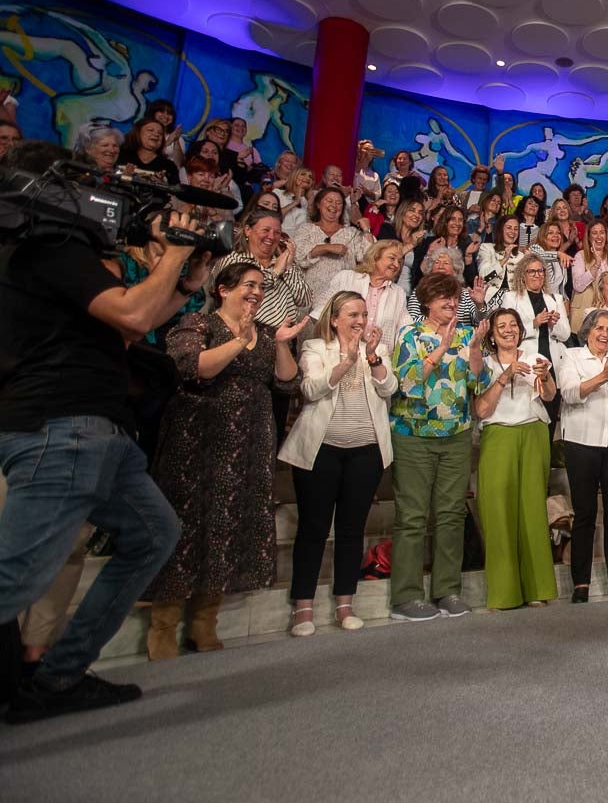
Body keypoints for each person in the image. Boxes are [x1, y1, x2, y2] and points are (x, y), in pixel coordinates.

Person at [0, 143, 210, 723]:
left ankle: (60, 676)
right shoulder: (46, 246)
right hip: (61, 426)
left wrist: (186, 281)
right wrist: (173, 253)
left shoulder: (62, 251)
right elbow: (134, 315)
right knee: (16, 575)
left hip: (96, 428)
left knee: (153, 534)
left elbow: (138, 321)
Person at [145, 262, 305, 658]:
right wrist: (239, 340)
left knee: (226, 527)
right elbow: (193, 368)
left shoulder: (266, 334)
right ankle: (163, 626)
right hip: (197, 441)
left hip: (248, 442)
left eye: (260, 287)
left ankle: (204, 623)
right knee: (185, 528)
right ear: (223, 289)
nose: (256, 292)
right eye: (248, 285)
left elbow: (287, 380)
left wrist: (281, 343)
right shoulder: (197, 324)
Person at [277, 291, 396, 636]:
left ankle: (345, 604)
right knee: (313, 529)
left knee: (351, 530)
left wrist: (372, 358)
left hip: (366, 451)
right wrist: (345, 359)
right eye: (352, 315)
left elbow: (390, 387)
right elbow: (311, 390)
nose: (360, 321)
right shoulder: (316, 348)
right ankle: (303, 607)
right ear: (334, 319)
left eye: (363, 314)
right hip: (320, 451)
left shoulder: (376, 350)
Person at [387, 274, 489, 622]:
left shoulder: (465, 334)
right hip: (413, 434)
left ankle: (448, 590)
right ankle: (406, 595)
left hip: (457, 434)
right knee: (413, 516)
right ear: (427, 301)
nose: (450, 302)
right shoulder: (410, 334)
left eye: (454, 297)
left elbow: (478, 383)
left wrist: (474, 350)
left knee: (450, 514)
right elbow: (406, 382)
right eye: (443, 297)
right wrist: (441, 350)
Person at [473, 309, 559, 610]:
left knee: (533, 513)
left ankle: (537, 588)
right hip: (499, 436)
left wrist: (545, 376)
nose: (508, 330)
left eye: (513, 325)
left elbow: (549, 396)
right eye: (501, 326)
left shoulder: (535, 356)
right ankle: (503, 593)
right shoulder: (484, 364)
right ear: (492, 336)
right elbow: (481, 411)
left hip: (533, 432)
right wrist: (504, 376)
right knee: (498, 512)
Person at [558, 309, 608, 603]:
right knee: (585, 514)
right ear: (588, 331)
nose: (605, 334)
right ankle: (581, 583)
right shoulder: (573, 356)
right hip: (582, 441)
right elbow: (569, 393)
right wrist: (602, 376)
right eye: (600, 329)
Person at [308, 240, 410, 348]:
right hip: (338, 351)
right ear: (375, 257)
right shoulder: (346, 277)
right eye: (392, 258)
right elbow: (321, 310)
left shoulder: (398, 293)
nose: (396, 265)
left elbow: (405, 326)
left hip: (378, 356)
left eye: (400, 261)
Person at [292, 187, 370, 308]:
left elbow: (368, 258)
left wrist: (366, 230)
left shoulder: (351, 232)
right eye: (329, 201)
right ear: (318, 204)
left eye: (339, 203)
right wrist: (326, 248)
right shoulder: (305, 229)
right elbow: (298, 257)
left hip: (341, 298)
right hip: (310, 297)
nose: (334, 205)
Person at [117, 116, 180, 185]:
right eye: (150, 130)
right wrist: (125, 178)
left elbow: (176, 191)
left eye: (160, 133)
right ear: (137, 133)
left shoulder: (169, 166)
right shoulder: (120, 155)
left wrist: (163, 186)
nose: (156, 134)